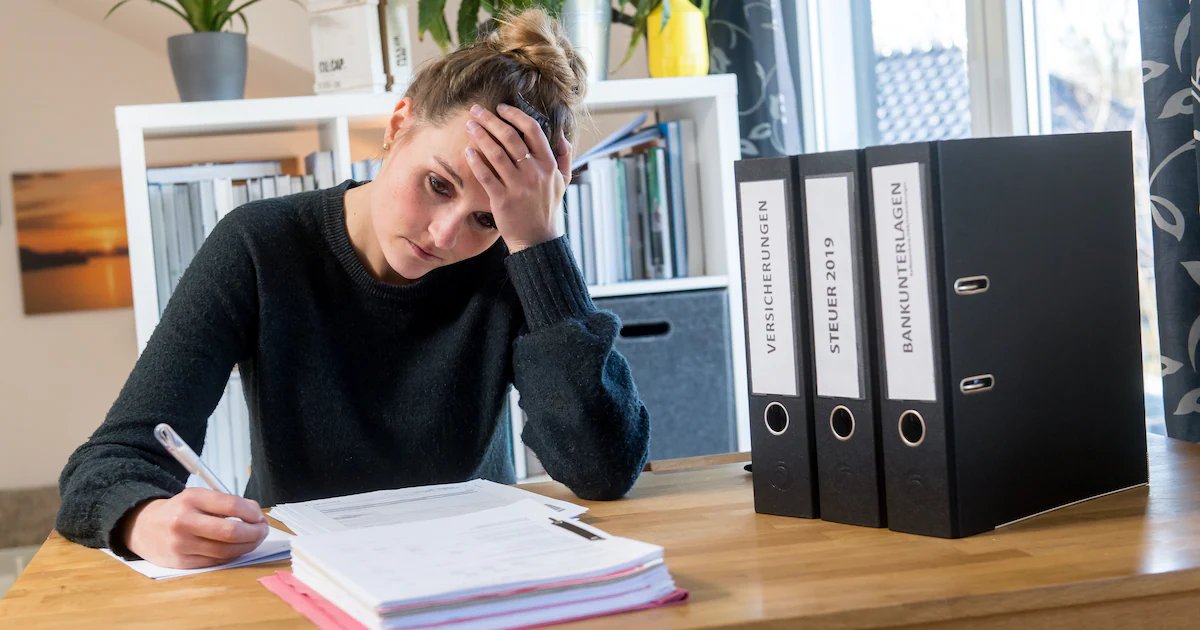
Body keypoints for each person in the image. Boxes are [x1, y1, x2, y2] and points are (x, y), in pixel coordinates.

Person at [55, 8, 651, 569]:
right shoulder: (260, 245)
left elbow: (603, 467)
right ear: (398, 127)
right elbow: (108, 463)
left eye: (487, 218)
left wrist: (539, 244)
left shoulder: (515, 258)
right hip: (300, 571)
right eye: (439, 184)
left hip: (474, 570)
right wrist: (144, 519)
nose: (444, 235)